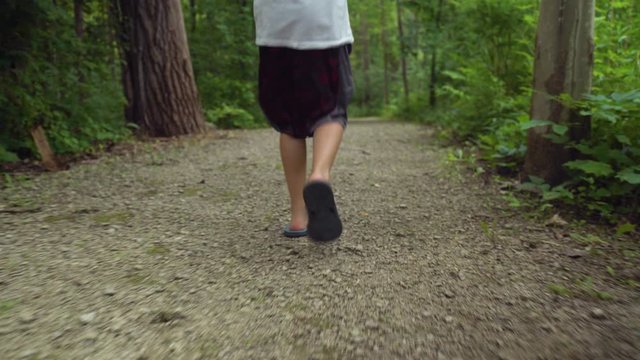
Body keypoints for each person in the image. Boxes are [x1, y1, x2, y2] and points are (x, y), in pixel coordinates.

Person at [253, 0, 354, 242]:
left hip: (274, 26)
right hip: (322, 24)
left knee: (290, 123)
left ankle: (299, 217)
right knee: (331, 110)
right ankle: (319, 175)